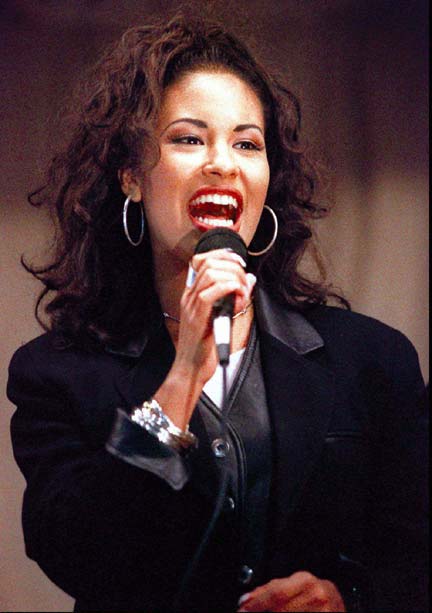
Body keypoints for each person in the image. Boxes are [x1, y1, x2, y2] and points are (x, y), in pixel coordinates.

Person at [7, 11, 428, 613]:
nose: (223, 163)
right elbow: (78, 555)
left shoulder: (373, 359)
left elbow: (413, 559)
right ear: (130, 176)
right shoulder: (56, 372)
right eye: (188, 139)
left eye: (247, 144)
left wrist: (349, 600)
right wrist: (181, 380)